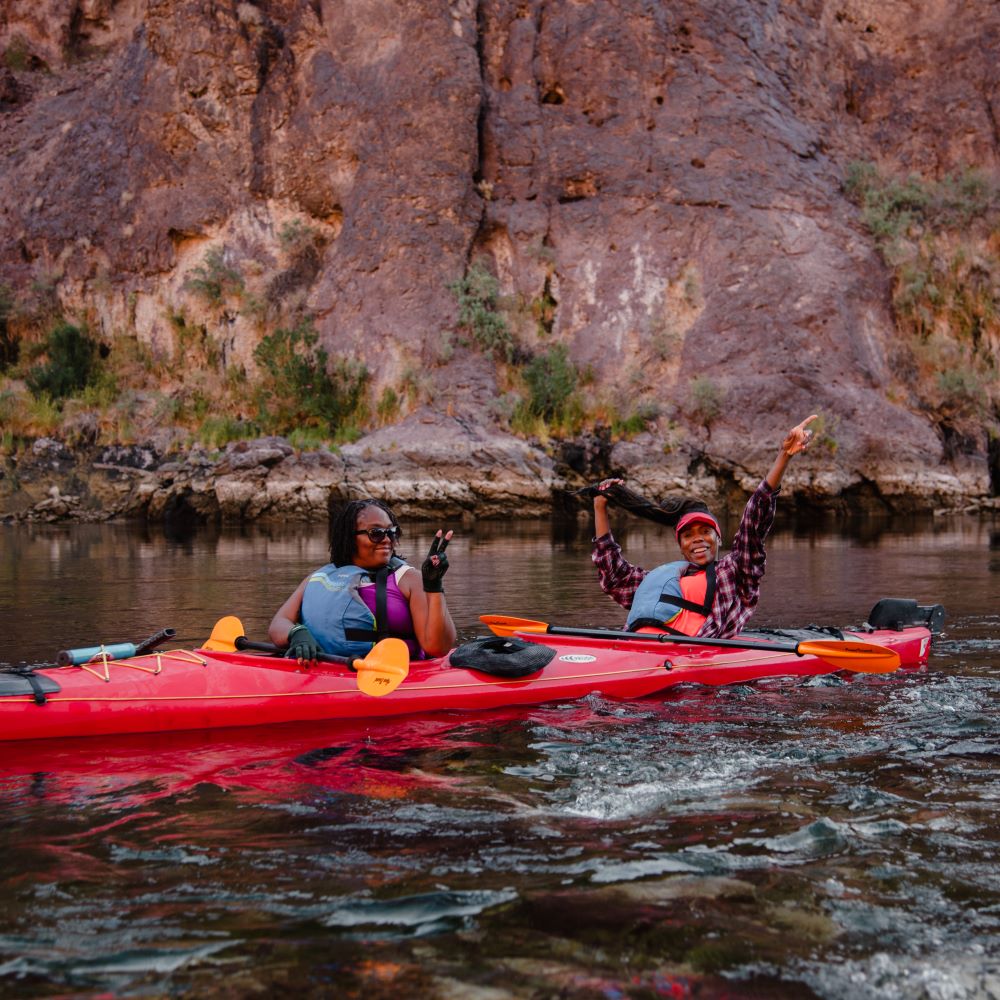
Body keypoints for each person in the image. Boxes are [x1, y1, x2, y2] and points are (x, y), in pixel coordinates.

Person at [591, 415, 818, 639]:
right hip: (635, 652)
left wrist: (783, 456)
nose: (697, 539)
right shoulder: (658, 581)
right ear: (680, 545)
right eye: (688, 535)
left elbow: (754, 521)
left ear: (718, 538)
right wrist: (600, 505)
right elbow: (614, 576)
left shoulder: (734, 573)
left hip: (689, 658)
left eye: (705, 532)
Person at [269, 498, 457, 661]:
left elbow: (437, 648)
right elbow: (280, 622)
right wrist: (296, 633)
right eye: (376, 533)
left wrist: (433, 586)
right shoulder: (319, 578)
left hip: (396, 673)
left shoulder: (409, 579)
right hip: (330, 667)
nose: (386, 540)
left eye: (392, 532)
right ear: (349, 539)